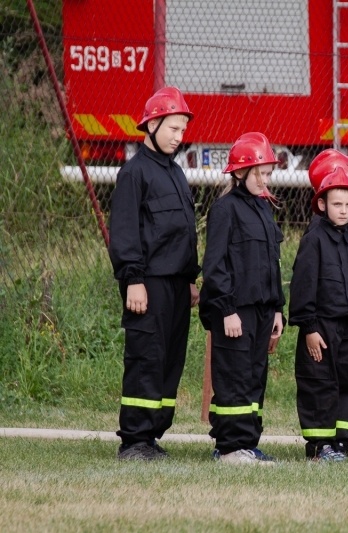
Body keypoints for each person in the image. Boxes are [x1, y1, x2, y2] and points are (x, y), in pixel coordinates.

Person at [108, 86, 200, 460]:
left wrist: (191, 279)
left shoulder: (176, 173)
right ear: (152, 124)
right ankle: (134, 440)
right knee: (146, 357)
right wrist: (133, 279)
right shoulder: (134, 173)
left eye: (182, 130)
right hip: (148, 284)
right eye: (173, 128)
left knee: (169, 359)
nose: (178, 137)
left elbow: (183, 231)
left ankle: (151, 435)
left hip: (177, 285)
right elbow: (126, 230)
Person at [198, 132, 286, 465]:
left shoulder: (264, 208)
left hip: (263, 311)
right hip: (235, 312)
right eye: (259, 173)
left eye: (268, 173)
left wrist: (278, 308)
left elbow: (273, 264)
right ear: (239, 173)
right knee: (233, 377)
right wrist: (226, 310)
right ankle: (230, 447)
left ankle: (248, 442)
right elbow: (215, 266)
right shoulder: (225, 210)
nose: (265, 180)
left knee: (253, 377)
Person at [289, 167, 348, 462]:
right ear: (322, 204)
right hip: (321, 326)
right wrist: (309, 327)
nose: (343, 211)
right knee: (319, 382)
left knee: (347, 381)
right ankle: (319, 447)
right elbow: (304, 284)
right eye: (337, 204)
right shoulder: (314, 238)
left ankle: (340, 442)